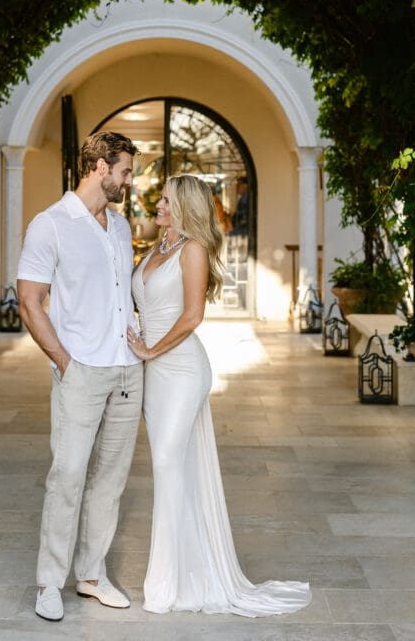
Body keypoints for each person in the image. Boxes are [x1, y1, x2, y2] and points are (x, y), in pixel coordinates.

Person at [127, 174, 312, 617]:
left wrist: (151, 348)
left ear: (185, 207)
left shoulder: (191, 250)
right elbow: (146, 304)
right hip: (154, 373)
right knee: (172, 470)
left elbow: (192, 316)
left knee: (169, 464)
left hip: (182, 369)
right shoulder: (157, 248)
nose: (158, 205)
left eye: (166, 200)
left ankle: (168, 583)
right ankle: (186, 570)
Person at [17, 130, 144, 623]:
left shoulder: (120, 227)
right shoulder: (50, 225)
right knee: (67, 476)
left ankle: (91, 575)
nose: (129, 181)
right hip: (82, 371)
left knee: (109, 481)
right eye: (126, 171)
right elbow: (30, 303)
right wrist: (64, 362)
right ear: (99, 167)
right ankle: (50, 582)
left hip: (126, 371)